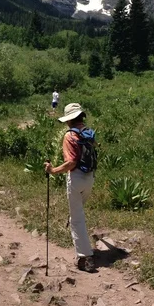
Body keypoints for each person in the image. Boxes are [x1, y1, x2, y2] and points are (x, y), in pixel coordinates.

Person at [47, 103, 102, 273]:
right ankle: (82, 243)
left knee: (77, 219)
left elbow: (71, 163)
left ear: (69, 119)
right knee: (77, 212)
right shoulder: (89, 133)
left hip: (76, 178)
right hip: (90, 178)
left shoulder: (70, 136)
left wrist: (53, 170)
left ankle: (85, 258)